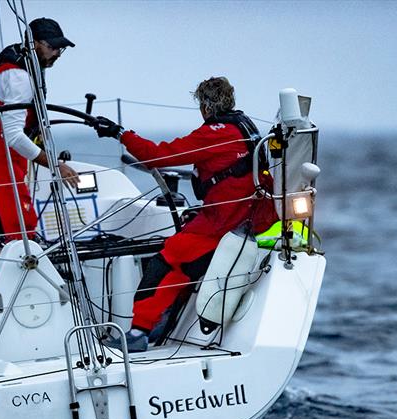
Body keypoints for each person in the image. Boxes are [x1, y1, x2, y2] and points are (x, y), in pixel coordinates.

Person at [93, 76, 278, 352]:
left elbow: (158, 156)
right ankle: (151, 327)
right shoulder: (245, 127)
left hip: (223, 224)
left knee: (166, 260)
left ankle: (138, 333)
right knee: (182, 260)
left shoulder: (215, 133)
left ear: (204, 106)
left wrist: (121, 134)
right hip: (249, 219)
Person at [0, 18, 79, 249]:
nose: (58, 53)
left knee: (13, 234)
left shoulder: (30, 65)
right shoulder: (19, 77)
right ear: (34, 43)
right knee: (16, 236)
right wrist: (55, 165)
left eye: (60, 48)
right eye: (52, 47)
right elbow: (13, 135)